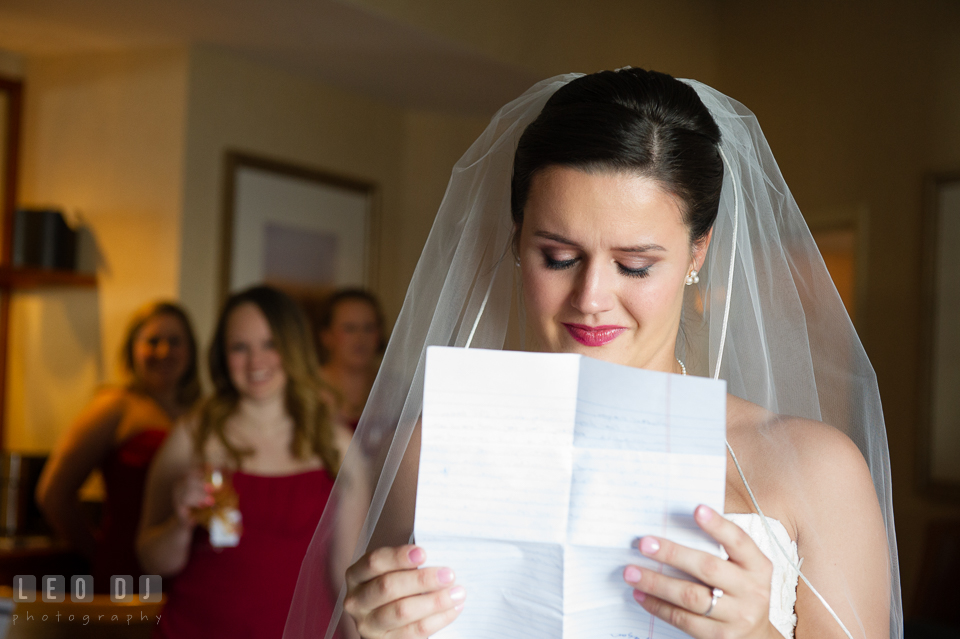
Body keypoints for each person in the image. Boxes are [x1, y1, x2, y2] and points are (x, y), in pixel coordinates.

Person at [283, 69, 902, 639]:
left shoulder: (815, 468)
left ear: (698, 253)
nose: (591, 297)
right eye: (558, 257)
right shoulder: (434, 447)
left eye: (635, 265)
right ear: (517, 239)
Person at [137, 286, 359, 638]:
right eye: (240, 347)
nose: (257, 362)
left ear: (293, 347)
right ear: (223, 356)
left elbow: (346, 570)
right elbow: (151, 559)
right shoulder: (192, 435)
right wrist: (180, 523)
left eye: (270, 344)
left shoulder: (336, 444)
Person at [36, 301, 201, 590]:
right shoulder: (114, 407)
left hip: (189, 576)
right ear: (132, 349)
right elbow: (53, 495)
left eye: (175, 342)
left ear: (190, 352)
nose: (164, 351)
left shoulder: (203, 413)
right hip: (126, 575)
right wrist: (97, 551)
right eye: (152, 341)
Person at [316, 289, 387, 429]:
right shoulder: (307, 389)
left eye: (368, 328)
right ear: (326, 335)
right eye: (349, 328)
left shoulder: (399, 392)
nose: (360, 338)